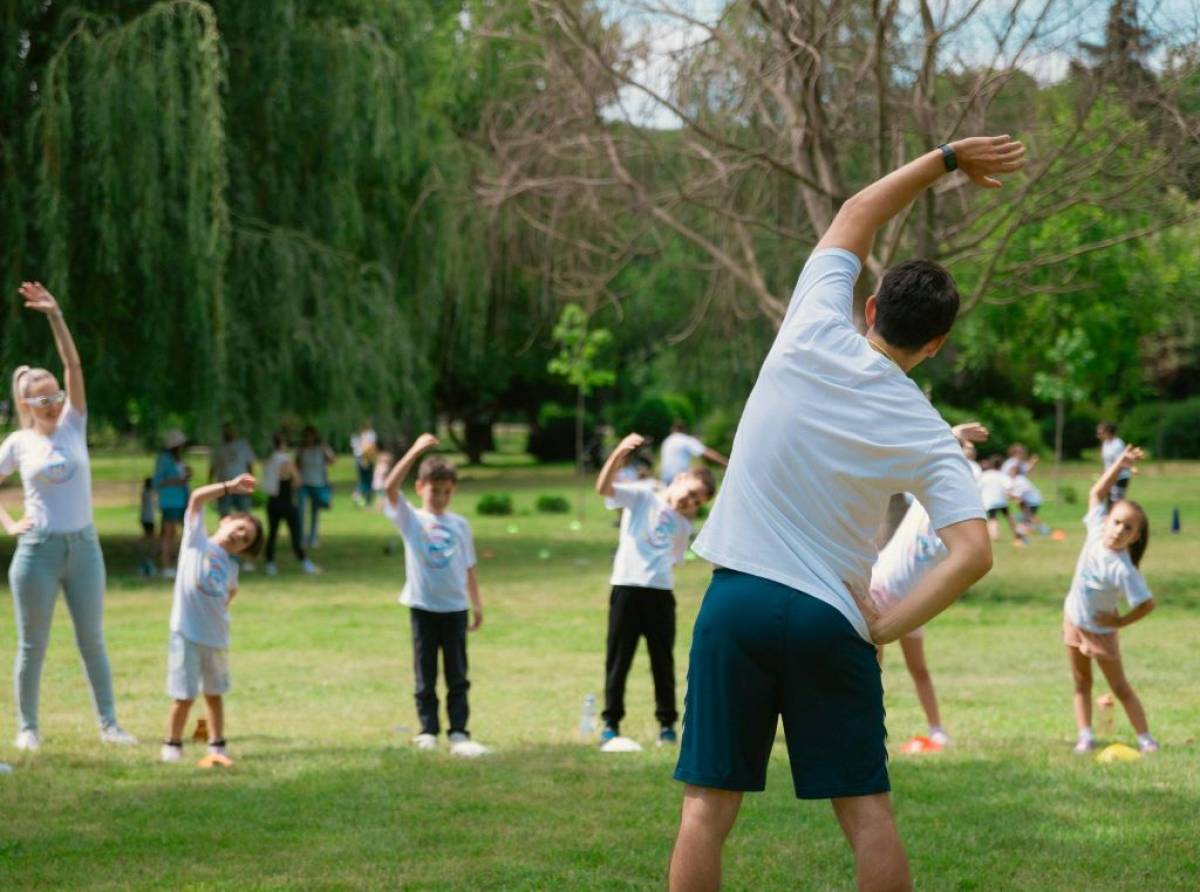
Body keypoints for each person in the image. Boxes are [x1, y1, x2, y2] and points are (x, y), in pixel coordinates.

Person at [668, 136, 1020, 892]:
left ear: (869, 307)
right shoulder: (928, 429)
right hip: (833, 618)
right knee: (866, 815)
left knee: (706, 810)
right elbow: (974, 552)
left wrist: (947, 159)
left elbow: (858, 211)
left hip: (737, 602)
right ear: (936, 345)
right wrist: (885, 626)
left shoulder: (811, 326)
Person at [0, 281, 137, 750]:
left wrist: (55, 315)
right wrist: (9, 522)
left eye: (56, 396)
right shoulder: (19, 443)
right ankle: (28, 729)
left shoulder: (75, 424)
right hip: (37, 552)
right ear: (27, 405)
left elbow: (74, 365)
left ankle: (110, 725)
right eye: (43, 400)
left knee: (92, 640)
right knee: (32, 645)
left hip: (84, 549)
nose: (54, 404)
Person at [868, 425, 988, 751]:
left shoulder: (962, 523)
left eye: (967, 454)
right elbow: (925, 450)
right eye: (960, 450)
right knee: (870, 670)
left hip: (915, 603)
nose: (963, 455)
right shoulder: (924, 494)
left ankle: (937, 730)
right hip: (880, 590)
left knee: (918, 668)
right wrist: (954, 432)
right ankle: (870, 730)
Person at [595, 432, 715, 747]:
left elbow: (674, 558)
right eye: (692, 493)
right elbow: (604, 489)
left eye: (697, 502)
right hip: (626, 586)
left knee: (662, 661)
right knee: (619, 658)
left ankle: (667, 724)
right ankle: (611, 722)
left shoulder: (683, 525)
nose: (690, 502)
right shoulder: (643, 496)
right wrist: (619, 453)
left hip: (660, 593)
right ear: (681, 478)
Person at [382, 433, 487, 757]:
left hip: (455, 608)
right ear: (420, 488)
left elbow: (469, 566)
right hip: (423, 607)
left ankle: (459, 731)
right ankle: (428, 730)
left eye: (446, 491)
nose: (440, 497)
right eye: (434, 490)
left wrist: (476, 604)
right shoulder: (411, 519)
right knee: (425, 674)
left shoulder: (460, 525)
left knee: (457, 675)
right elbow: (389, 487)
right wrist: (414, 451)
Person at [160, 473, 264, 764]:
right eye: (240, 528)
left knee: (214, 694)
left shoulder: (231, 567)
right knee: (183, 695)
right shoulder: (197, 540)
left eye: (246, 540)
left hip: (215, 638)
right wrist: (230, 487)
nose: (240, 536)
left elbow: (230, 593)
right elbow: (196, 498)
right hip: (185, 633)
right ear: (226, 520)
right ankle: (172, 744)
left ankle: (217, 744)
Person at [1063, 444, 1158, 755]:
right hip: (1074, 619)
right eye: (1116, 522)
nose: (1119, 530)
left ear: (1135, 537)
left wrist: (1119, 621)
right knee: (1081, 682)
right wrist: (1120, 464)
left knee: (1119, 687)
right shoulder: (1095, 531)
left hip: (1101, 631)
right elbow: (1096, 492)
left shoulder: (1123, 569)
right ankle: (1085, 737)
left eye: (1128, 528)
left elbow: (1147, 604)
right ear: (1106, 521)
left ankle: (1146, 739)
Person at [260, 431, 318, 576]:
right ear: (283, 444)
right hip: (286, 502)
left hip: (272, 502)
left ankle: (270, 564)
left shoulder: (269, 460)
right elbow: (298, 480)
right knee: (295, 534)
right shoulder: (285, 461)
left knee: (272, 534)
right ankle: (305, 562)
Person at [154, 430, 192, 578]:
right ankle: (166, 565)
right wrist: (176, 481)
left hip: (182, 499)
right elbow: (157, 481)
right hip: (170, 501)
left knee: (179, 533)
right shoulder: (163, 460)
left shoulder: (178, 460)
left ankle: (178, 563)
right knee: (168, 533)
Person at [295, 426, 335, 549]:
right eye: (307, 436)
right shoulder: (301, 449)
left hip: (318, 484)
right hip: (303, 483)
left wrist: (326, 449)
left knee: (315, 512)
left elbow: (332, 461)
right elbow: (297, 465)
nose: (309, 438)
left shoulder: (321, 449)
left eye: (311, 435)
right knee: (301, 511)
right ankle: (301, 538)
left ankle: (313, 538)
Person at [210, 423, 256, 516]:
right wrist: (211, 486)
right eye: (226, 430)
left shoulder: (243, 445)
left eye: (230, 430)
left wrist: (251, 484)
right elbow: (213, 468)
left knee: (244, 515)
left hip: (242, 485)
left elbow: (249, 466)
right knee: (224, 514)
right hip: (224, 486)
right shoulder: (219, 448)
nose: (228, 432)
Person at [659, 424, 727, 486]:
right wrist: (725, 462)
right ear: (684, 430)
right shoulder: (685, 439)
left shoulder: (667, 441)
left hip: (665, 476)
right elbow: (705, 452)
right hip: (679, 476)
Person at [978, 456, 1025, 546]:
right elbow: (1009, 487)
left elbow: (978, 487)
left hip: (989, 501)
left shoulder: (984, 475)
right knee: (1008, 516)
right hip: (1001, 500)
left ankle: (994, 536)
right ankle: (1017, 532)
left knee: (992, 518)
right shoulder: (1002, 475)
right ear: (1000, 465)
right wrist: (1014, 497)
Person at [1097, 421, 1131, 503]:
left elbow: (1121, 463)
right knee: (1108, 501)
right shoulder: (1105, 444)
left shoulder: (1118, 444)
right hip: (1110, 477)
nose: (1098, 435)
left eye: (1100, 432)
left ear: (1108, 432)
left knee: (1116, 502)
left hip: (1119, 478)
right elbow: (1107, 463)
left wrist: (1112, 477)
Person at [351, 421, 378, 507]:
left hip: (364, 458)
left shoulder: (367, 434)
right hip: (363, 458)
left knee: (365, 480)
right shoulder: (368, 434)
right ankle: (364, 499)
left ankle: (360, 497)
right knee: (366, 480)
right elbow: (372, 446)